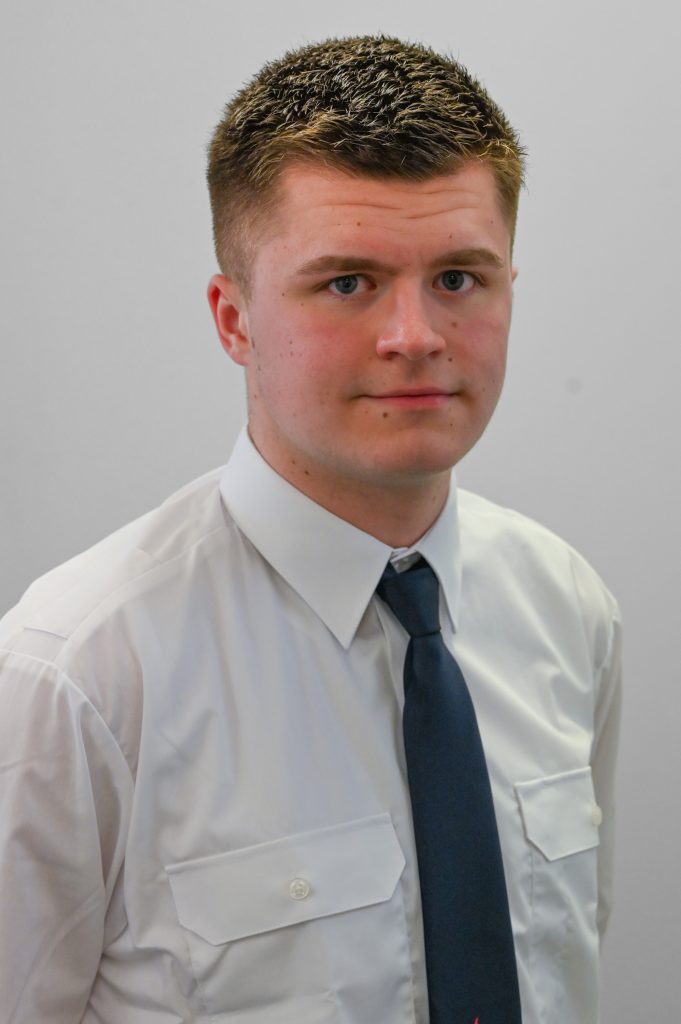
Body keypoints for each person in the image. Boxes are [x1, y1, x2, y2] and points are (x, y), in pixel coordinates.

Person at [0, 34, 621, 1024]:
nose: (415, 336)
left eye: (459, 278)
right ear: (233, 319)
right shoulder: (76, 676)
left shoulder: (567, 607)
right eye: (347, 282)